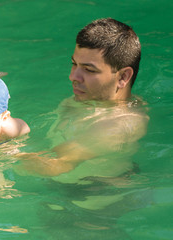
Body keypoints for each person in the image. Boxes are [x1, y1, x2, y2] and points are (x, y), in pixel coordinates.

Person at [16, 18, 149, 187]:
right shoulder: (85, 100)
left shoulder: (116, 126)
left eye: (89, 70)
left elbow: (56, 164)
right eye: (74, 64)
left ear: (123, 77)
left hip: (94, 201)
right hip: (70, 187)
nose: (73, 77)